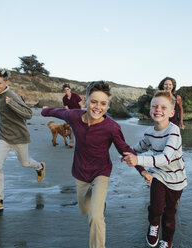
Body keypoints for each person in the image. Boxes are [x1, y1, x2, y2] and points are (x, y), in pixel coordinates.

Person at [42, 81, 151, 248]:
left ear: (108, 105)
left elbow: (125, 149)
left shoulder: (112, 127)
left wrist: (142, 170)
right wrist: (45, 111)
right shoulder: (74, 116)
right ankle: (98, 204)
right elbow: (57, 112)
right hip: (80, 172)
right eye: (93, 102)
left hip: (101, 172)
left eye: (103, 103)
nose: (97, 107)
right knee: (84, 210)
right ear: (85, 101)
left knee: (95, 216)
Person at [122, 91, 187, 248]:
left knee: (170, 215)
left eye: (163, 107)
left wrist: (138, 160)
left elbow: (165, 158)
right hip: (159, 174)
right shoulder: (150, 132)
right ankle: (153, 225)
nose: (158, 109)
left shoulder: (174, 132)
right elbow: (139, 147)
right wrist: (128, 152)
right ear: (150, 110)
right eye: (154, 106)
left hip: (176, 179)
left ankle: (167, 239)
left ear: (172, 112)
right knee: (156, 207)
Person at [0, 69, 45, 211]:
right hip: (4, 136)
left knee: (25, 163)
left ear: (7, 83)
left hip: (19, 137)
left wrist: (12, 104)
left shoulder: (11, 96)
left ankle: (40, 167)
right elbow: (0, 109)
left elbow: (29, 114)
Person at [62, 83, 83, 147]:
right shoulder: (64, 98)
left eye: (67, 89)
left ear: (70, 89)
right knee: (72, 128)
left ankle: (83, 142)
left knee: (81, 129)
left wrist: (81, 114)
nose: (66, 91)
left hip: (79, 113)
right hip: (71, 114)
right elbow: (66, 108)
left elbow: (81, 105)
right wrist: (68, 116)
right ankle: (72, 142)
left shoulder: (76, 96)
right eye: (65, 90)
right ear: (64, 91)